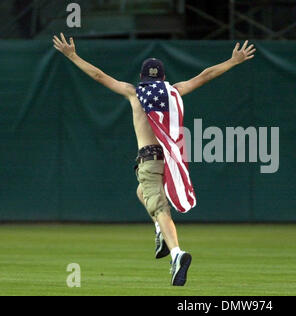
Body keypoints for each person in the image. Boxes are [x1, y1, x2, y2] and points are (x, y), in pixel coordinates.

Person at [53, 33, 256, 285]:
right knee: (143, 193)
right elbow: (205, 75)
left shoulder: (134, 93)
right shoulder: (174, 91)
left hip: (149, 160)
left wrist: (72, 55)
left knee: (159, 207)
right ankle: (160, 231)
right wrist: (233, 61)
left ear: (142, 77)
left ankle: (177, 254)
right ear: (162, 77)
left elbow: (98, 75)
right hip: (169, 158)